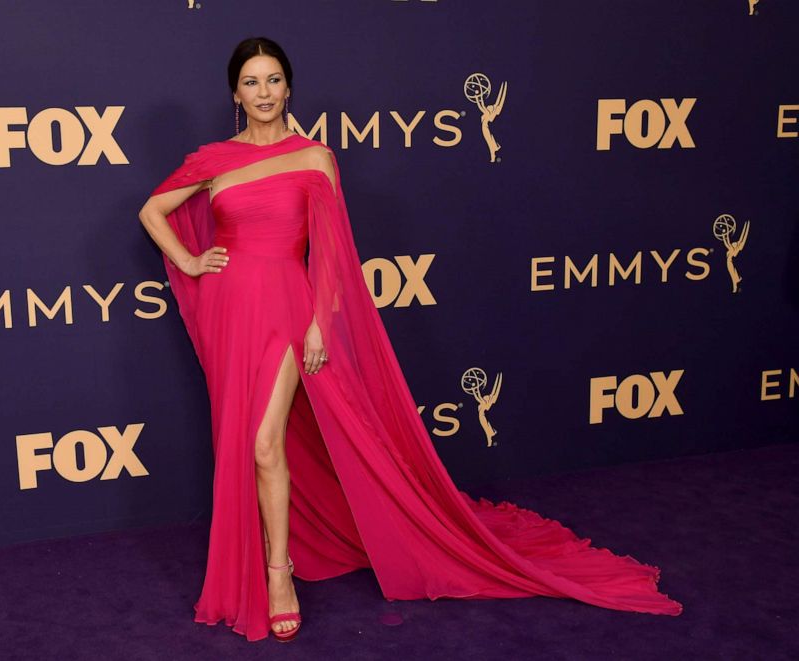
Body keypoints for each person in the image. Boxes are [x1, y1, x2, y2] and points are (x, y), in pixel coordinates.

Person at [138, 36, 683, 644]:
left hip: (289, 309)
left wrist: (321, 319)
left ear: (288, 87)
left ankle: (277, 573)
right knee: (243, 442)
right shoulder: (214, 158)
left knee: (265, 444)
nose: (263, 93)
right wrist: (188, 262)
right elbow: (152, 211)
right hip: (229, 311)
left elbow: (335, 255)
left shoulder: (315, 157)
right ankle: (269, 554)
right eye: (251, 82)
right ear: (235, 93)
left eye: (273, 80)